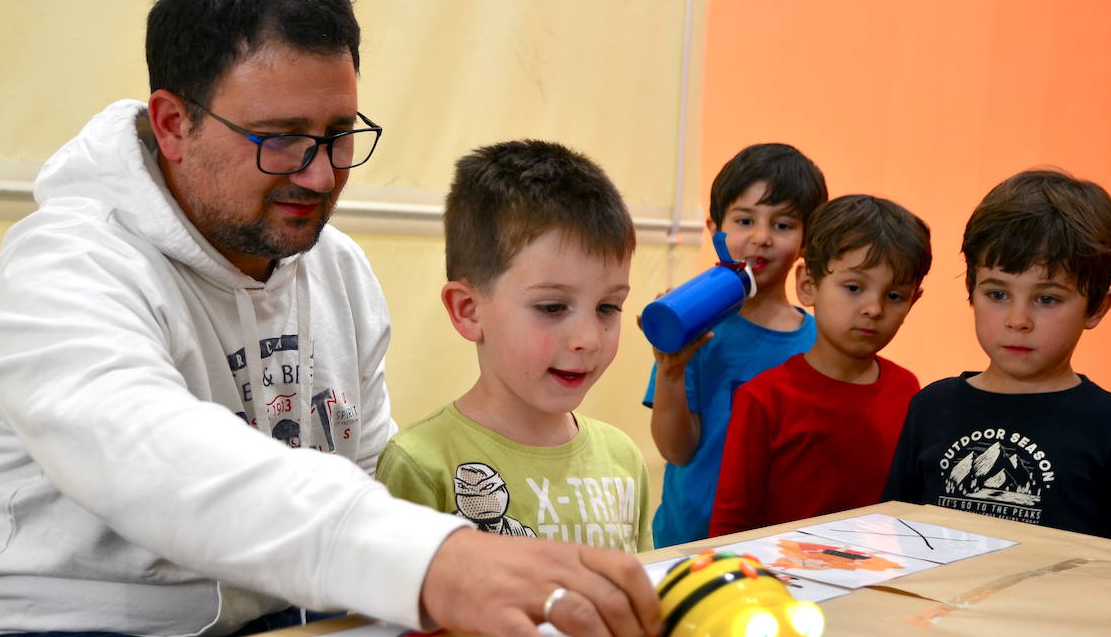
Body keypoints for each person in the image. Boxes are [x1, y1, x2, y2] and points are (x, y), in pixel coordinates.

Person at [0, 0, 661, 637]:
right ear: (173, 123)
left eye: (338, 135)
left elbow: (360, 475)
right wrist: (440, 561)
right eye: (283, 137)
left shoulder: (337, 270)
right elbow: (156, 460)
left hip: (267, 631)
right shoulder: (66, 263)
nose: (321, 175)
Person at [375, 141, 651, 552]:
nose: (589, 339)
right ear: (469, 311)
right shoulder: (421, 464)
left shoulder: (623, 460)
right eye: (552, 307)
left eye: (608, 307)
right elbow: (392, 610)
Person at [884, 170, 1111, 547]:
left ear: (1096, 307)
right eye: (997, 295)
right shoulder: (930, 406)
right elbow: (892, 539)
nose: (1018, 321)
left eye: (1047, 299)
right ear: (971, 291)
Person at [708, 195, 930, 536]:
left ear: (914, 301)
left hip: (881, 582)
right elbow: (731, 524)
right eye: (854, 287)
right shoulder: (764, 398)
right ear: (808, 285)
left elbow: (910, 515)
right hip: (782, 585)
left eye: (895, 296)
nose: (874, 308)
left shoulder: (907, 390)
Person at [643, 143, 827, 547]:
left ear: (807, 240)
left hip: (781, 550)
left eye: (782, 225)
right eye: (745, 220)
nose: (760, 238)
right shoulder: (689, 326)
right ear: (716, 230)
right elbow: (676, 451)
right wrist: (671, 369)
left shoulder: (820, 344)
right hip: (688, 544)